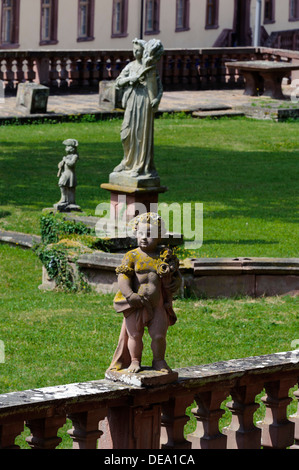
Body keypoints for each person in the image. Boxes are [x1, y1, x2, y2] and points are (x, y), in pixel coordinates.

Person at [107, 213, 182, 374]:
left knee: (159, 336)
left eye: (149, 235)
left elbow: (176, 275)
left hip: (158, 305)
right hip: (137, 305)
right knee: (134, 335)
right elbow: (123, 275)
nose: (143, 238)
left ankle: (159, 361)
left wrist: (176, 282)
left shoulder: (164, 256)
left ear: (159, 237)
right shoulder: (132, 256)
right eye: (140, 233)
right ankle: (135, 361)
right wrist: (129, 295)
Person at [112, 38, 164, 178]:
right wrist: (130, 79)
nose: (135, 52)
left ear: (144, 52)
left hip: (144, 101)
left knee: (140, 133)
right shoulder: (130, 66)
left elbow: (159, 88)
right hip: (131, 100)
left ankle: (139, 165)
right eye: (133, 50)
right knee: (126, 133)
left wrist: (157, 99)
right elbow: (118, 82)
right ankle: (127, 161)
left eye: (138, 50)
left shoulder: (150, 67)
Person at [55, 139, 79, 210]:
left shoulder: (75, 156)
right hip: (65, 173)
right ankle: (63, 199)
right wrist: (61, 164)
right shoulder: (67, 156)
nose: (66, 148)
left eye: (67, 146)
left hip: (70, 174)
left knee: (70, 187)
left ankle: (70, 201)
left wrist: (65, 160)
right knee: (62, 184)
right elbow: (60, 164)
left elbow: (71, 164)